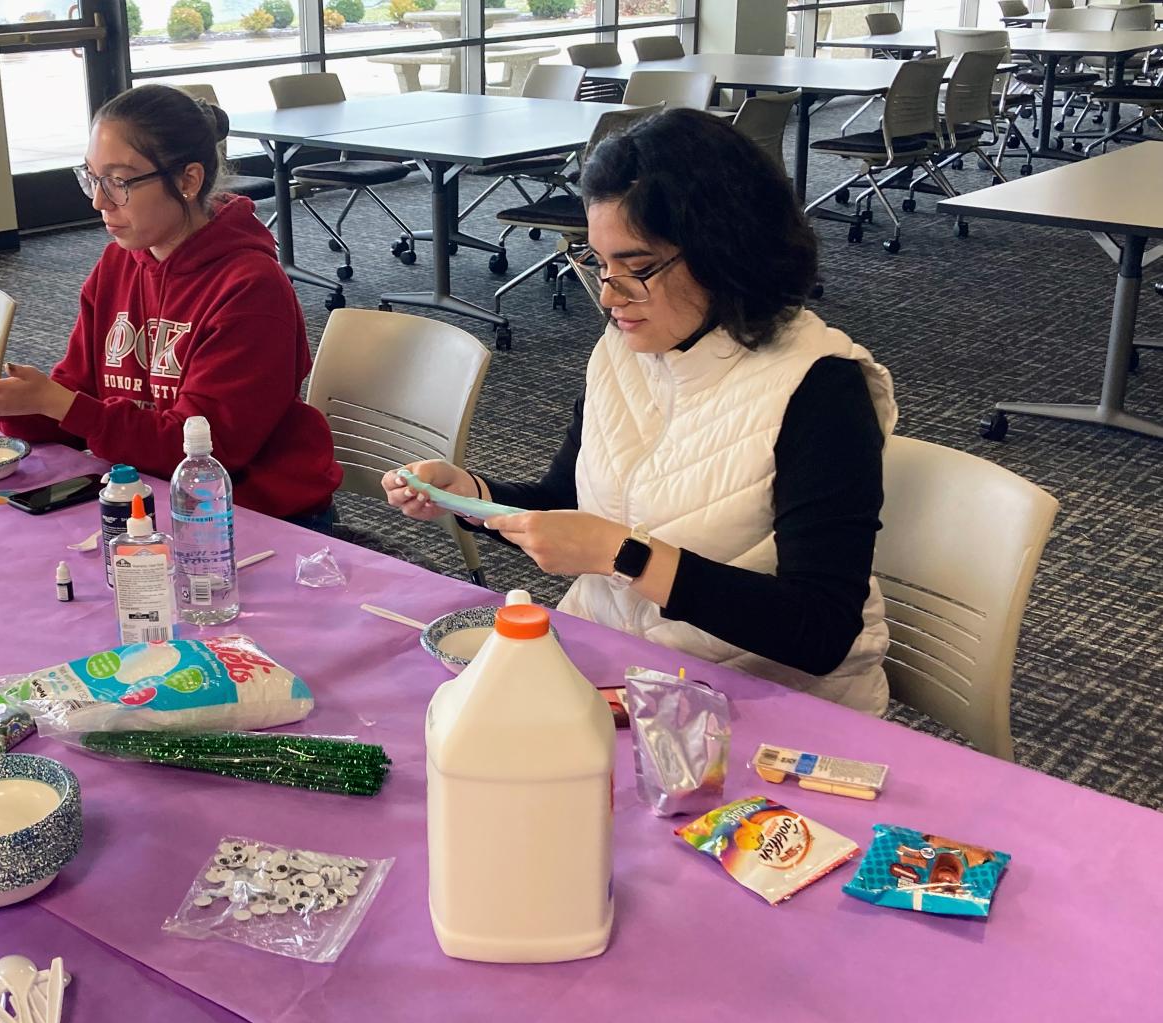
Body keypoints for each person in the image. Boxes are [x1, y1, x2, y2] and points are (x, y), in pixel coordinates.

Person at [382, 109, 898, 714]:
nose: (608, 295)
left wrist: (621, 555)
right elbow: (569, 504)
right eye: (598, 264)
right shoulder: (625, 352)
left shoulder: (821, 387)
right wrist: (471, 496)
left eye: (637, 269)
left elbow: (820, 631)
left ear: (725, 250)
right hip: (625, 675)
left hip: (773, 709)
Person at [0, 85, 342, 529]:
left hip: (252, 513)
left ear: (187, 180)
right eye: (91, 177)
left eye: (119, 182)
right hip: (151, 494)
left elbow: (207, 450)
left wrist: (60, 404)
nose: (98, 201)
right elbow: (77, 397)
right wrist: (6, 401)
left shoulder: (250, 287)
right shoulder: (118, 263)